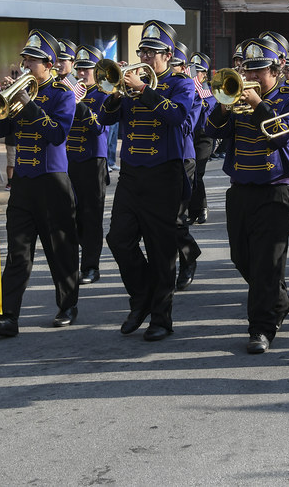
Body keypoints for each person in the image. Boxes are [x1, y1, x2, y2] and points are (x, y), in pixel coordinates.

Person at [204, 37, 289, 353]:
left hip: (278, 191)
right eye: (247, 69)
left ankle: (261, 328)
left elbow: (280, 137)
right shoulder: (235, 97)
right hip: (241, 189)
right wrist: (222, 104)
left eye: (259, 71)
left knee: (265, 262)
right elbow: (211, 130)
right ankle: (279, 299)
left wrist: (258, 105)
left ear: (276, 71)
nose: (251, 77)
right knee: (241, 257)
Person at [0, 30, 80, 336]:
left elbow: (56, 134)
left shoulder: (62, 94)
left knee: (59, 248)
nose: (25, 65)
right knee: (18, 251)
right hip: (23, 182)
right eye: (24, 59)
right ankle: (8, 316)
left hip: (53, 180)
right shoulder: (20, 93)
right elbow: (0, 129)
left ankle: (67, 305)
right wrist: (7, 103)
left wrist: (30, 104)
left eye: (32, 61)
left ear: (49, 64)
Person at [101, 21, 196, 341]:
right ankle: (140, 296)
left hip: (163, 174)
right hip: (131, 173)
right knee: (118, 238)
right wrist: (116, 90)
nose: (144, 57)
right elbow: (105, 118)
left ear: (168, 55)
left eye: (151, 52)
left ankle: (161, 317)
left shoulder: (181, 83)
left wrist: (144, 89)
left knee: (161, 250)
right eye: (142, 51)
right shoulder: (131, 84)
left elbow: (178, 116)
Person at [68, 45, 110, 284]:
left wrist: (78, 102)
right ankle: (73, 264)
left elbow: (97, 127)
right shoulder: (69, 91)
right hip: (68, 160)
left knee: (91, 216)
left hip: (93, 160)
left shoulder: (102, 94)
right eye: (79, 69)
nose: (82, 74)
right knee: (70, 216)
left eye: (87, 69)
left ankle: (91, 266)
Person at [169, 41, 203, 290]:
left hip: (183, 157)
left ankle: (188, 256)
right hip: (155, 160)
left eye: (173, 66)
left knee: (176, 217)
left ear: (182, 66)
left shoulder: (191, 90)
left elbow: (184, 125)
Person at [187, 52, 216, 226]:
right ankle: (193, 210)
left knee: (198, 173)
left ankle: (202, 207)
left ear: (204, 74)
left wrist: (197, 93)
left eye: (198, 71)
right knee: (190, 174)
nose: (194, 74)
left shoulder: (209, 91)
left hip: (204, 136)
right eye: (192, 70)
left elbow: (207, 109)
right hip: (191, 134)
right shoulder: (189, 87)